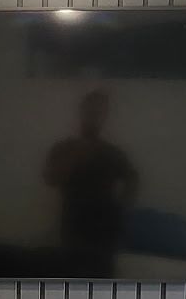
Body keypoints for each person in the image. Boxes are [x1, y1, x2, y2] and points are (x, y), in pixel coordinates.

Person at [42, 89, 138, 274]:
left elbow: (132, 178)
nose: (94, 115)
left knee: (103, 280)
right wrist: (77, 154)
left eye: (100, 112)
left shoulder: (112, 152)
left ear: (105, 116)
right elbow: (50, 179)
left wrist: (123, 208)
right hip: (73, 223)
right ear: (82, 111)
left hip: (107, 226)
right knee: (71, 277)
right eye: (91, 110)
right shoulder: (64, 148)